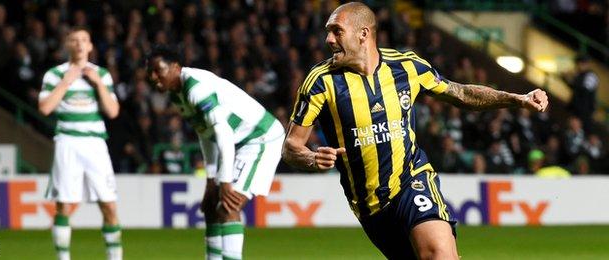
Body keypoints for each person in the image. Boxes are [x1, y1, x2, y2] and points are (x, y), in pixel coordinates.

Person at [281, 2, 549, 259]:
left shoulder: (407, 66)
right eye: (328, 31)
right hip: (370, 206)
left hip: (412, 179)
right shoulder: (320, 82)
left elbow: (461, 93)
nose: (328, 39)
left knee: (440, 255)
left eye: (336, 30)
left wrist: (517, 98)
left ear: (363, 34)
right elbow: (291, 146)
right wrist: (312, 158)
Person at [146, 46, 285, 260]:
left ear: (175, 67)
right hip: (237, 142)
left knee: (228, 206)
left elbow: (223, 133)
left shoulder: (196, 90)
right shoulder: (177, 93)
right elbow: (205, 133)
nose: (153, 77)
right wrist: (211, 180)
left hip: (259, 138)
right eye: (150, 72)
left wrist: (225, 181)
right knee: (212, 206)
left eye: (158, 70)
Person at [38, 27, 122, 260]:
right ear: (67, 45)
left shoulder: (101, 74)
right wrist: (66, 83)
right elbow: (45, 108)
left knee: (109, 206)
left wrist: (99, 85)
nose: (79, 44)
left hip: (95, 144)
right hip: (68, 142)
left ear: (91, 46)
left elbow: (113, 111)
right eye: (74, 40)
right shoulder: (55, 74)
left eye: (84, 40)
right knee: (64, 206)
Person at [567, 54, 599, 133]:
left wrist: (572, 81)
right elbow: (575, 89)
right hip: (576, 110)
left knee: (583, 133)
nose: (579, 66)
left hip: (585, 112)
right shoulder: (579, 75)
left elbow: (585, 91)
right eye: (578, 63)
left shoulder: (591, 76)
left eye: (581, 63)